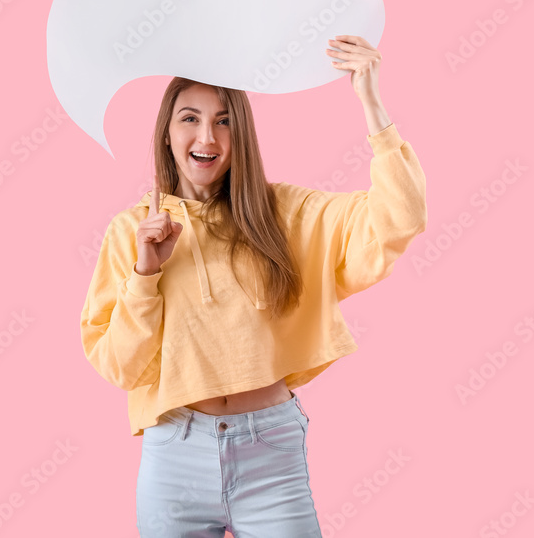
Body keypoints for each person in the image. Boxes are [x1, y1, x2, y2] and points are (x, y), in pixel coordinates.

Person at [80, 35, 427, 537]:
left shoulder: (284, 213)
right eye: (191, 118)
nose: (208, 135)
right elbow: (119, 366)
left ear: (242, 134)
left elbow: (401, 218)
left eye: (225, 120)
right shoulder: (131, 232)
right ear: (167, 133)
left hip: (271, 453)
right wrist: (145, 274)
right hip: (174, 458)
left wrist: (371, 104)